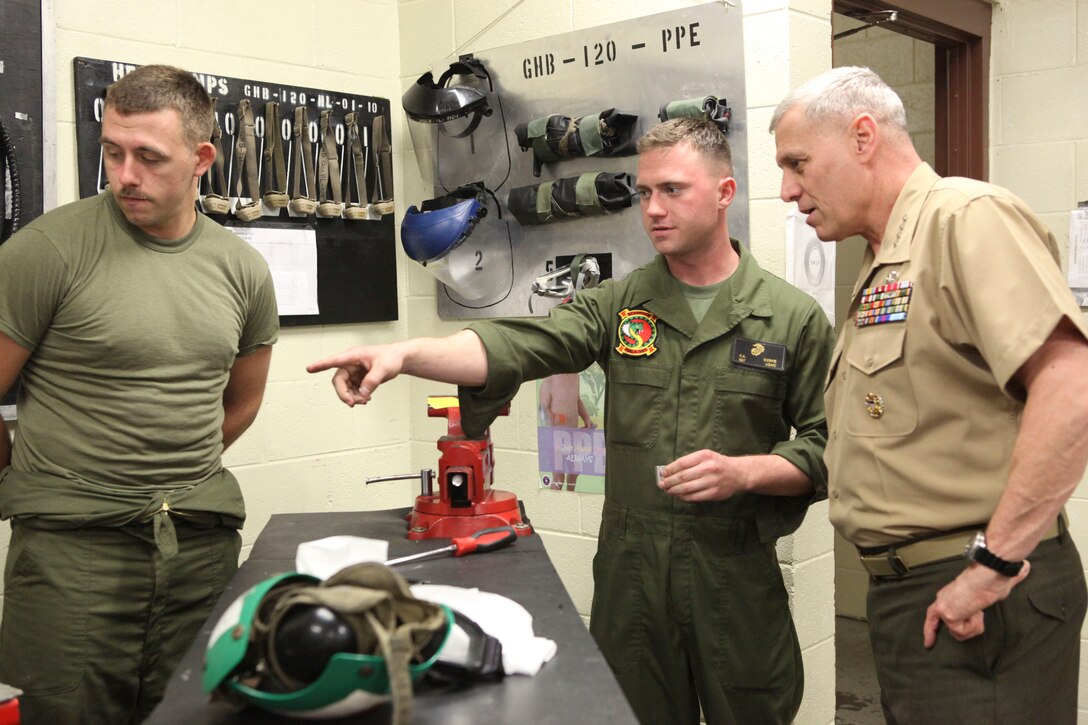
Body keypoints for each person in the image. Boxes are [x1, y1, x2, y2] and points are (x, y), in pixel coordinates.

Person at [308, 117, 835, 724]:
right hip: (633, 579)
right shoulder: (621, 304)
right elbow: (521, 345)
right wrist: (404, 354)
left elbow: (831, 449)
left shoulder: (790, 319)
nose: (653, 209)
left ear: (724, 193)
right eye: (644, 193)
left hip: (735, 580)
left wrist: (749, 472)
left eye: (673, 190)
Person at [771, 65, 1088, 724]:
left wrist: (993, 562)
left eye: (798, 162)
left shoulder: (965, 219)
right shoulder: (888, 255)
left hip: (979, 590)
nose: (785, 190)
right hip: (917, 592)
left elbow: (1071, 385)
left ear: (863, 137)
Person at [0, 64, 279, 723]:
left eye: (149, 157)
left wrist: (171, 468)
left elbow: (240, 401)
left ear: (201, 158)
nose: (125, 175)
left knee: (196, 711)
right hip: (73, 555)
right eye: (112, 151)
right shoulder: (46, 252)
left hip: (198, 548)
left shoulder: (242, 270)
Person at [537, 372, 595, 490]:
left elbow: (577, 400)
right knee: (559, 478)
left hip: (572, 436)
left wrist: (587, 419)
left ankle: (571, 498)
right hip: (556, 437)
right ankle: (553, 505)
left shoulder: (575, 376)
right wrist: (558, 417)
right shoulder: (549, 380)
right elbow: (542, 411)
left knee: (575, 470)